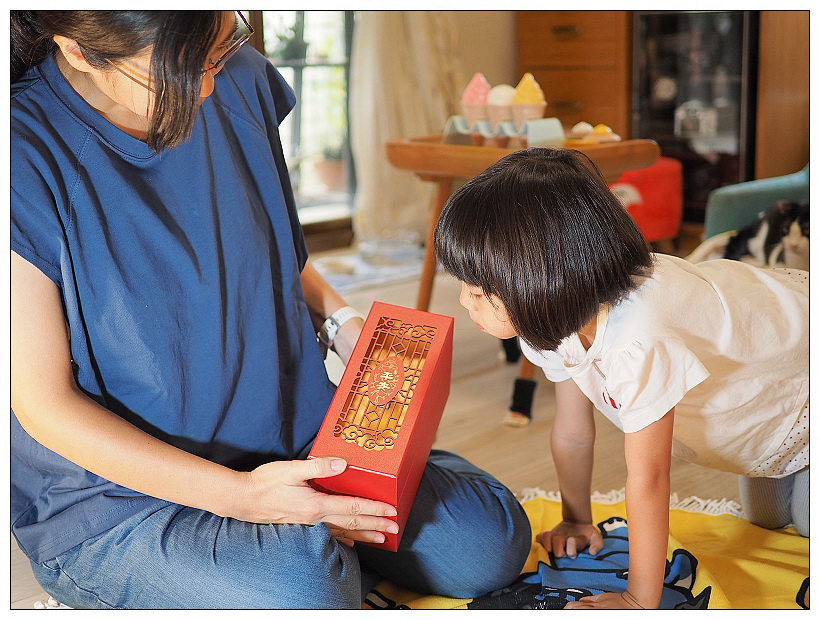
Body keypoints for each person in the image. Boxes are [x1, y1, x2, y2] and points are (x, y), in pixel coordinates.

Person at [10, 11, 531, 609]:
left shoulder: (241, 77)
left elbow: (274, 244)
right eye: (179, 72)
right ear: (79, 51)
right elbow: (43, 406)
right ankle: (290, 551)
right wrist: (241, 499)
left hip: (290, 440)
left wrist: (342, 323)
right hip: (122, 500)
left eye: (219, 50)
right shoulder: (21, 152)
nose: (206, 87)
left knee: (490, 543)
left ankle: (295, 543)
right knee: (306, 588)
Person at [433, 147, 809, 610]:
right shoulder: (551, 314)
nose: (464, 304)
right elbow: (573, 431)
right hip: (761, 405)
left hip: (803, 376)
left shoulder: (640, 335)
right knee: (768, 520)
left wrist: (638, 599)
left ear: (542, 280)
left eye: (477, 291)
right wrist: (576, 520)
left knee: (806, 521)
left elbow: (648, 477)